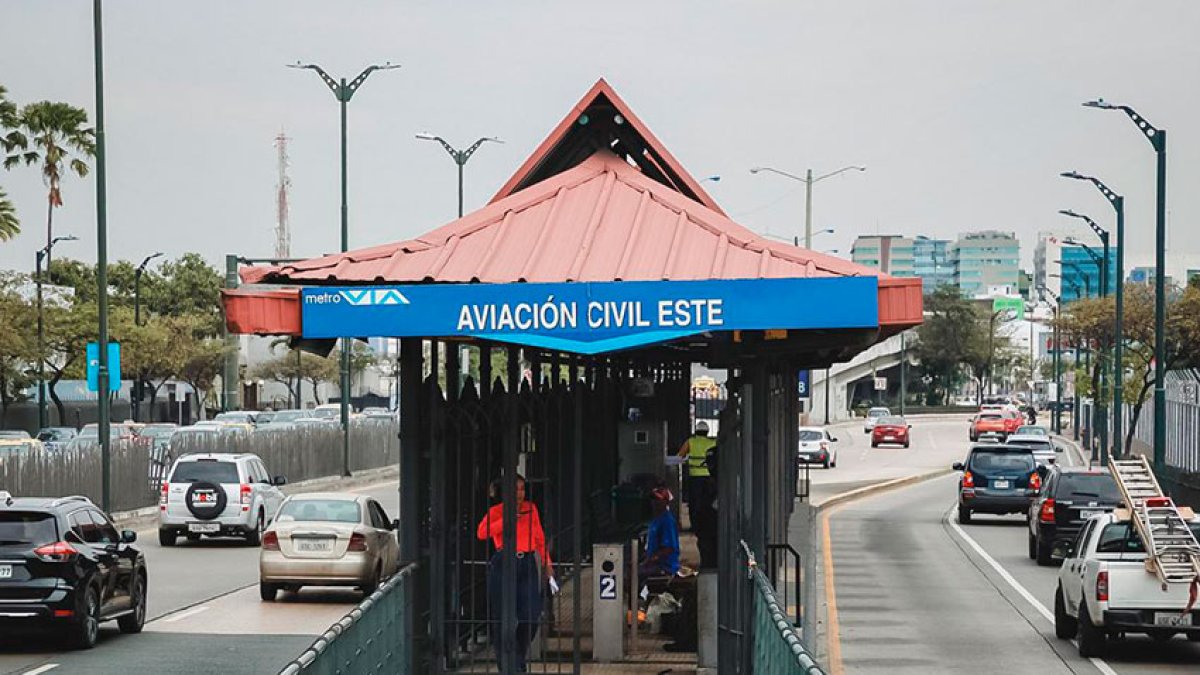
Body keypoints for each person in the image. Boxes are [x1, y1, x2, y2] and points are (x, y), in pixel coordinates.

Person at [476, 474, 552, 673]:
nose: (519, 493)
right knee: (502, 617)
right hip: (503, 561)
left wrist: (547, 563)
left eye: (522, 489)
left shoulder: (530, 509)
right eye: (515, 489)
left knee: (531, 615)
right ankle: (508, 665)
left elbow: (539, 538)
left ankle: (517, 655)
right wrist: (506, 521)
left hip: (526, 561)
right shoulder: (496, 511)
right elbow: (482, 533)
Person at [676, 421, 715, 522]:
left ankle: (694, 524)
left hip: (694, 477)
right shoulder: (712, 443)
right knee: (707, 502)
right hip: (709, 477)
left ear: (696, 431)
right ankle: (707, 523)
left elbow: (680, 456)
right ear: (707, 432)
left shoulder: (690, 442)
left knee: (694, 502)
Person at [640, 487, 681, 579]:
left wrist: (650, 560)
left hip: (665, 567)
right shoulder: (655, 520)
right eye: (653, 499)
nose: (654, 502)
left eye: (658, 500)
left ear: (666, 502)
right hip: (654, 564)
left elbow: (668, 548)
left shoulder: (667, 521)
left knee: (635, 574)